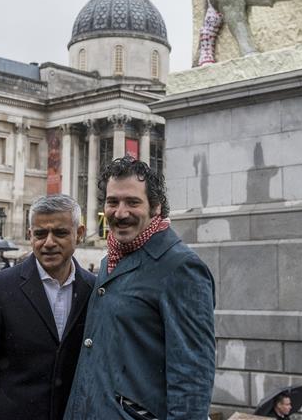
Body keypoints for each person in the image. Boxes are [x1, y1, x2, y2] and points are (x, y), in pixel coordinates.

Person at [62, 156, 216, 420]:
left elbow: (193, 378)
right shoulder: (110, 259)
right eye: (113, 202)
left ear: (156, 207)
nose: (120, 213)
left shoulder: (181, 267)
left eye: (133, 202)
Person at [0, 194, 95, 420]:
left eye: (60, 233)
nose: (49, 242)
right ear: (30, 236)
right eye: (40, 234)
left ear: (79, 233)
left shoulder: (94, 290)